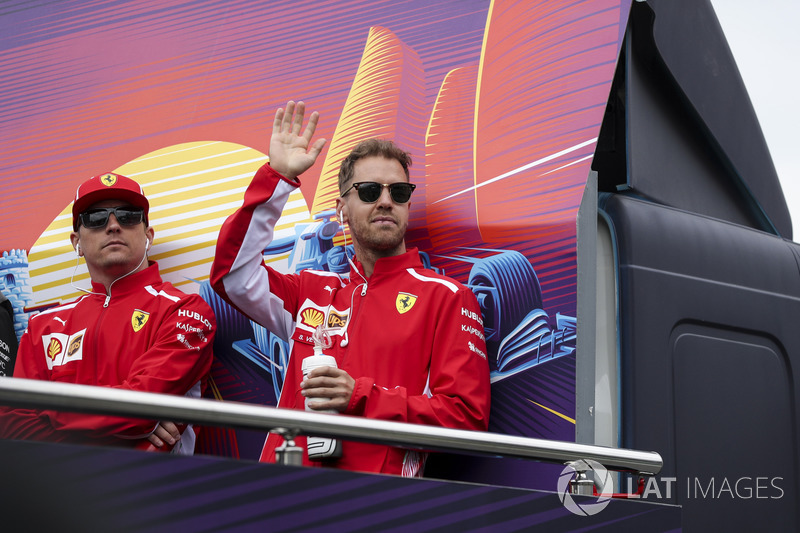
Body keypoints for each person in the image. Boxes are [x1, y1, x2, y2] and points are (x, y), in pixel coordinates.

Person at [211, 101, 490, 476]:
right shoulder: (310, 291)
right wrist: (277, 178)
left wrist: (361, 397)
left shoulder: (447, 297)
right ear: (341, 207)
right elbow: (233, 274)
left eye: (400, 192)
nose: (387, 201)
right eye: (370, 190)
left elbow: (465, 420)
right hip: (281, 496)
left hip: (374, 506)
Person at [0, 173, 215, 454]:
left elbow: (141, 403)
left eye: (128, 216)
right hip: (58, 494)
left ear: (148, 235)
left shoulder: (184, 311)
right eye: (95, 218)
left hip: (151, 492)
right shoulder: (43, 327)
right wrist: (132, 426)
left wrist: (51, 412)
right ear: (76, 240)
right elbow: (13, 425)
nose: (113, 225)